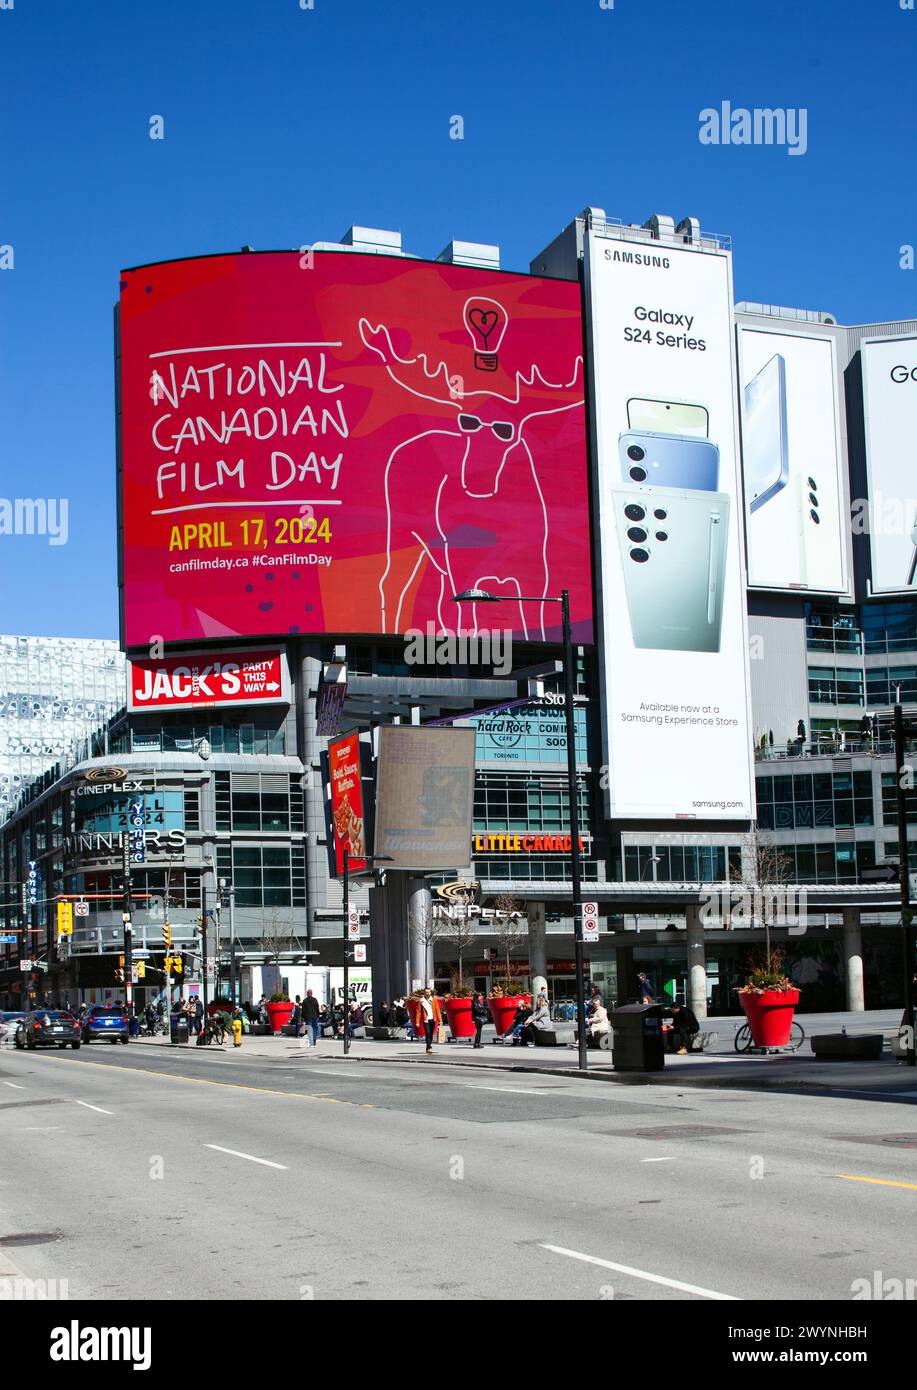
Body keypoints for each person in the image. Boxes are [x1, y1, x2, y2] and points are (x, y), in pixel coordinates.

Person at [419, 987, 441, 1054]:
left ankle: (429, 1045)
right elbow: (418, 1012)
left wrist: (440, 1019)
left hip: (432, 1019)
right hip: (426, 1020)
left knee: (431, 1034)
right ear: (424, 993)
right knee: (427, 1033)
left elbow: (437, 1010)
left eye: (428, 992)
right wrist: (417, 1022)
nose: (427, 993)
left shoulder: (433, 1000)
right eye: (426, 992)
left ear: (430, 993)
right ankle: (429, 1047)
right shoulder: (421, 1001)